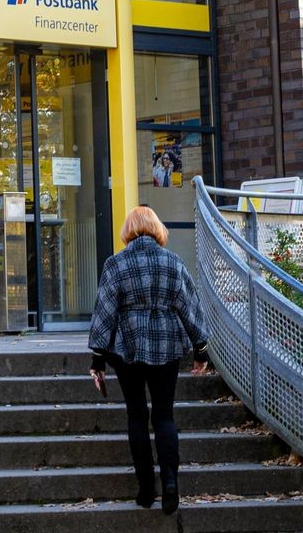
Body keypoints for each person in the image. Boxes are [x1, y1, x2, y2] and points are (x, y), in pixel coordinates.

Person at [88, 206, 209, 515]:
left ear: (128, 230)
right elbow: (189, 306)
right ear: (157, 228)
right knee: (165, 415)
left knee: (137, 416)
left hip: (125, 347)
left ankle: (146, 489)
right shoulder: (173, 262)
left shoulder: (116, 264)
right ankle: (171, 483)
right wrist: (201, 349)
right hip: (167, 345)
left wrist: (98, 358)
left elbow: (105, 311)